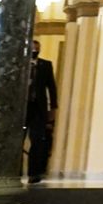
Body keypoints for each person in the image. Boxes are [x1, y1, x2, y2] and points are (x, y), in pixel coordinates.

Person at [24, 40, 58, 183]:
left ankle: (34, 173)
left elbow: (51, 87)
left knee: (37, 140)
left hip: (38, 107)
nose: (35, 51)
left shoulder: (45, 65)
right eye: (33, 49)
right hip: (23, 107)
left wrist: (53, 109)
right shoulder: (21, 63)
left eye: (37, 49)